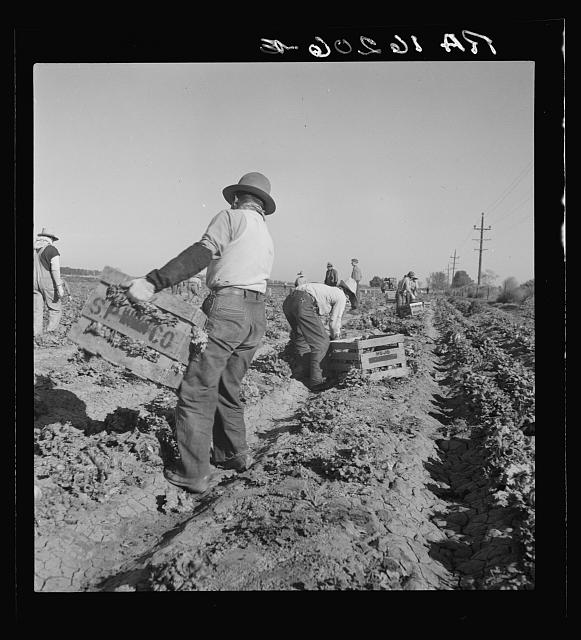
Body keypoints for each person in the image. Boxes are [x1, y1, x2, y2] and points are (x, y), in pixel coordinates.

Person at [126, 172, 276, 494]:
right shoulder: (264, 232)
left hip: (228, 308)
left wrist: (154, 281)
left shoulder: (230, 217)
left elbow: (201, 253)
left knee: (197, 388)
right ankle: (232, 454)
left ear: (237, 198)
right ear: (262, 204)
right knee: (227, 386)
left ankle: (192, 473)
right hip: (255, 314)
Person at [282, 277, 358, 391]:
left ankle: (305, 371)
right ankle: (317, 382)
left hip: (289, 301)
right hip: (303, 301)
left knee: (301, 338)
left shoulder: (328, 290)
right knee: (322, 342)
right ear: (348, 293)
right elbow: (334, 321)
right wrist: (335, 337)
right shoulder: (341, 296)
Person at [33, 228, 66, 336]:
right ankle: (50, 334)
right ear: (50, 239)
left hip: (34, 283)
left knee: (37, 310)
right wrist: (59, 286)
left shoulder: (34, 249)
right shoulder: (52, 250)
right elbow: (55, 270)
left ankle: (36, 334)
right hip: (48, 283)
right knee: (55, 308)